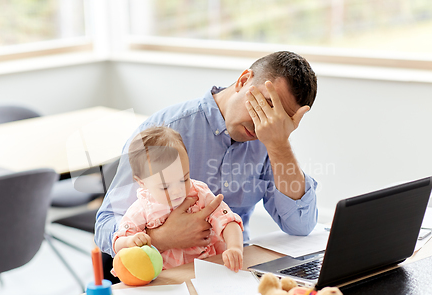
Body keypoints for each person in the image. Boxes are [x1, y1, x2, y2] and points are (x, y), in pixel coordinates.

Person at [95, 51, 318, 270]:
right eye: (266, 105)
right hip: (165, 274)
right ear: (243, 80)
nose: (264, 123)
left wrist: (280, 145)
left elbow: (300, 225)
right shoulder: (165, 132)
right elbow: (104, 226)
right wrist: (160, 238)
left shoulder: (271, 139)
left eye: (280, 118)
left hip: (230, 269)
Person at [112, 126, 244, 272]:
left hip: (209, 269)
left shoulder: (198, 194)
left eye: (184, 179)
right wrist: (130, 241)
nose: (177, 191)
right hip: (167, 278)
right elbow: (118, 242)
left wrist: (235, 248)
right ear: (142, 182)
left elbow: (229, 221)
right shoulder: (143, 208)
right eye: (165, 187)